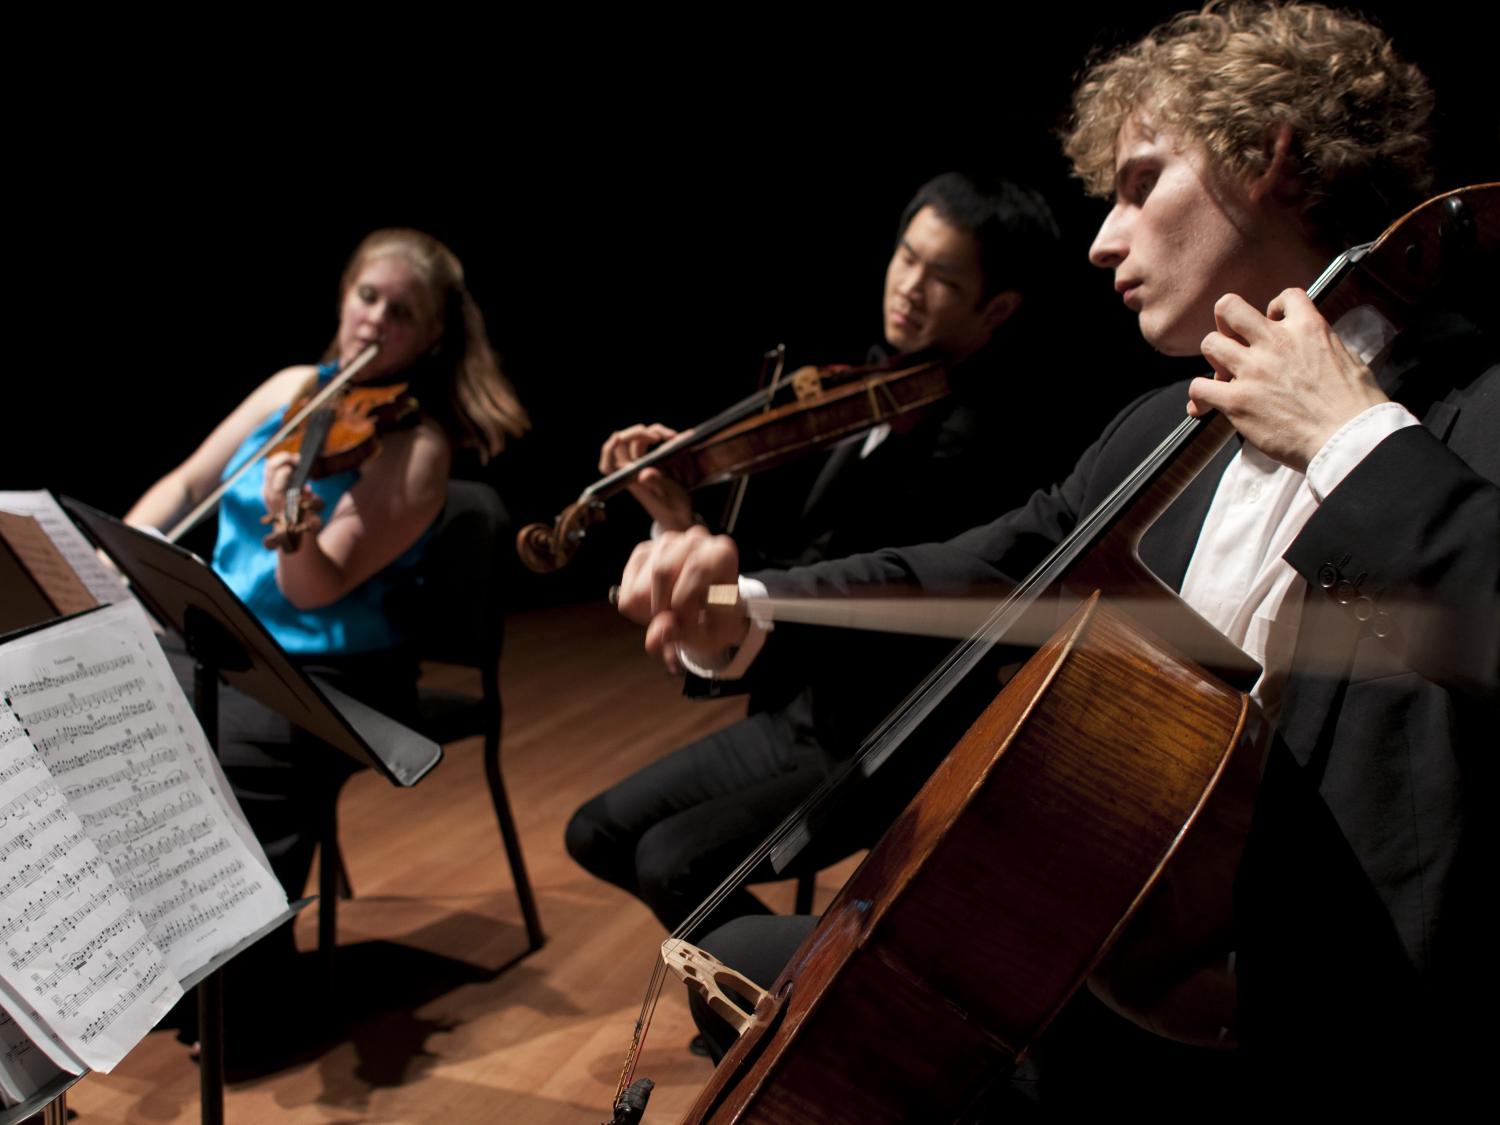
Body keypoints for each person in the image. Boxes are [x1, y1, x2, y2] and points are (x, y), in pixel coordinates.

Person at [614, 2, 1495, 1109]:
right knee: (748, 962)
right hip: (1093, 961)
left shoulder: (1471, 418)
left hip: (1310, 1019)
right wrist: (745, 606)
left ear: (1269, 157)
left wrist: (1349, 438)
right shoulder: (1163, 431)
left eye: (1139, 185)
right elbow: (989, 564)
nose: (1102, 241)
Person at [565, 174, 1066, 936]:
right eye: (906, 258)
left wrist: (729, 605)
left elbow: (846, 606)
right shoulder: (869, 396)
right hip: (806, 713)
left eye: (944, 277)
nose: (909, 288)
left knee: (675, 861)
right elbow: (794, 560)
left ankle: (786, 1019)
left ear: (995, 309)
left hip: (891, 735)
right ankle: (756, 1008)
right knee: (595, 830)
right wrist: (680, 519)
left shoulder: (982, 443)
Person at [125, 229, 528, 1059]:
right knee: (115, 715)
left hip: (332, 670)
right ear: (344, 298)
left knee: (225, 755)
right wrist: (120, 552)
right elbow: (193, 482)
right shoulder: (291, 386)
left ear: (432, 337)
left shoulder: (417, 448)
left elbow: (312, 588)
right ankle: (153, 964)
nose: (375, 320)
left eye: (402, 312)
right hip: (223, 635)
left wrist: (289, 523)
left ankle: (248, 992)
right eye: (366, 297)